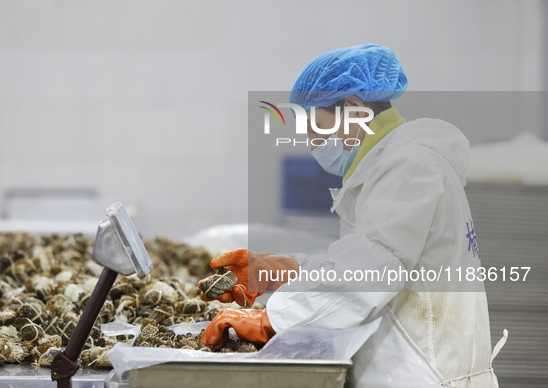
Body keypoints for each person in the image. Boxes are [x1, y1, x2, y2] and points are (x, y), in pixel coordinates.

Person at [198, 44, 506, 387]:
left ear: (354, 109)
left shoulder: (410, 165)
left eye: (315, 126)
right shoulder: (391, 166)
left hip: (427, 375)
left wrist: (273, 320)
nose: (312, 143)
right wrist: (280, 270)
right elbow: (364, 259)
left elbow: (374, 267)